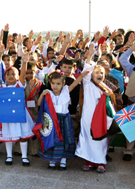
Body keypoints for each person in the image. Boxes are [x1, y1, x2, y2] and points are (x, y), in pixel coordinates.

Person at [37, 70, 86, 169]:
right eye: (53, 83)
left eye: (58, 84)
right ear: (50, 83)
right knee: (53, 139)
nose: (55, 86)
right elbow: (39, 104)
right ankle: (52, 161)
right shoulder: (48, 93)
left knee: (65, 139)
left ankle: (63, 160)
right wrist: (42, 94)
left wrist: (81, 76)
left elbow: (75, 83)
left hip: (65, 120)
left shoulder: (66, 91)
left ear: (63, 83)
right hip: (53, 120)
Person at [76, 44, 113, 173]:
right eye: (96, 72)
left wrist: (107, 98)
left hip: (101, 120)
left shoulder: (105, 89)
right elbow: (87, 69)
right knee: (88, 138)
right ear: (91, 75)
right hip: (88, 118)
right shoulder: (87, 84)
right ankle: (90, 161)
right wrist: (90, 55)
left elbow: (110, 106)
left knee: (101, 141)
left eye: (101, 73)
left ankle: (101, 162)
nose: (99, 75)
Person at [0, 51, 35, 166]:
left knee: (23, 136)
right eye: (8, 74)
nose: (11, 76)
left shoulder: (19, 85)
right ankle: (9, 156)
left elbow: (23, 75)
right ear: (5, 76)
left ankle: (24, 157)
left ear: (17, 77)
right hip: (7, 115)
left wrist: (24, 62)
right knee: (8, 135)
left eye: (14, 74)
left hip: (20, 114)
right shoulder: (1, 87)